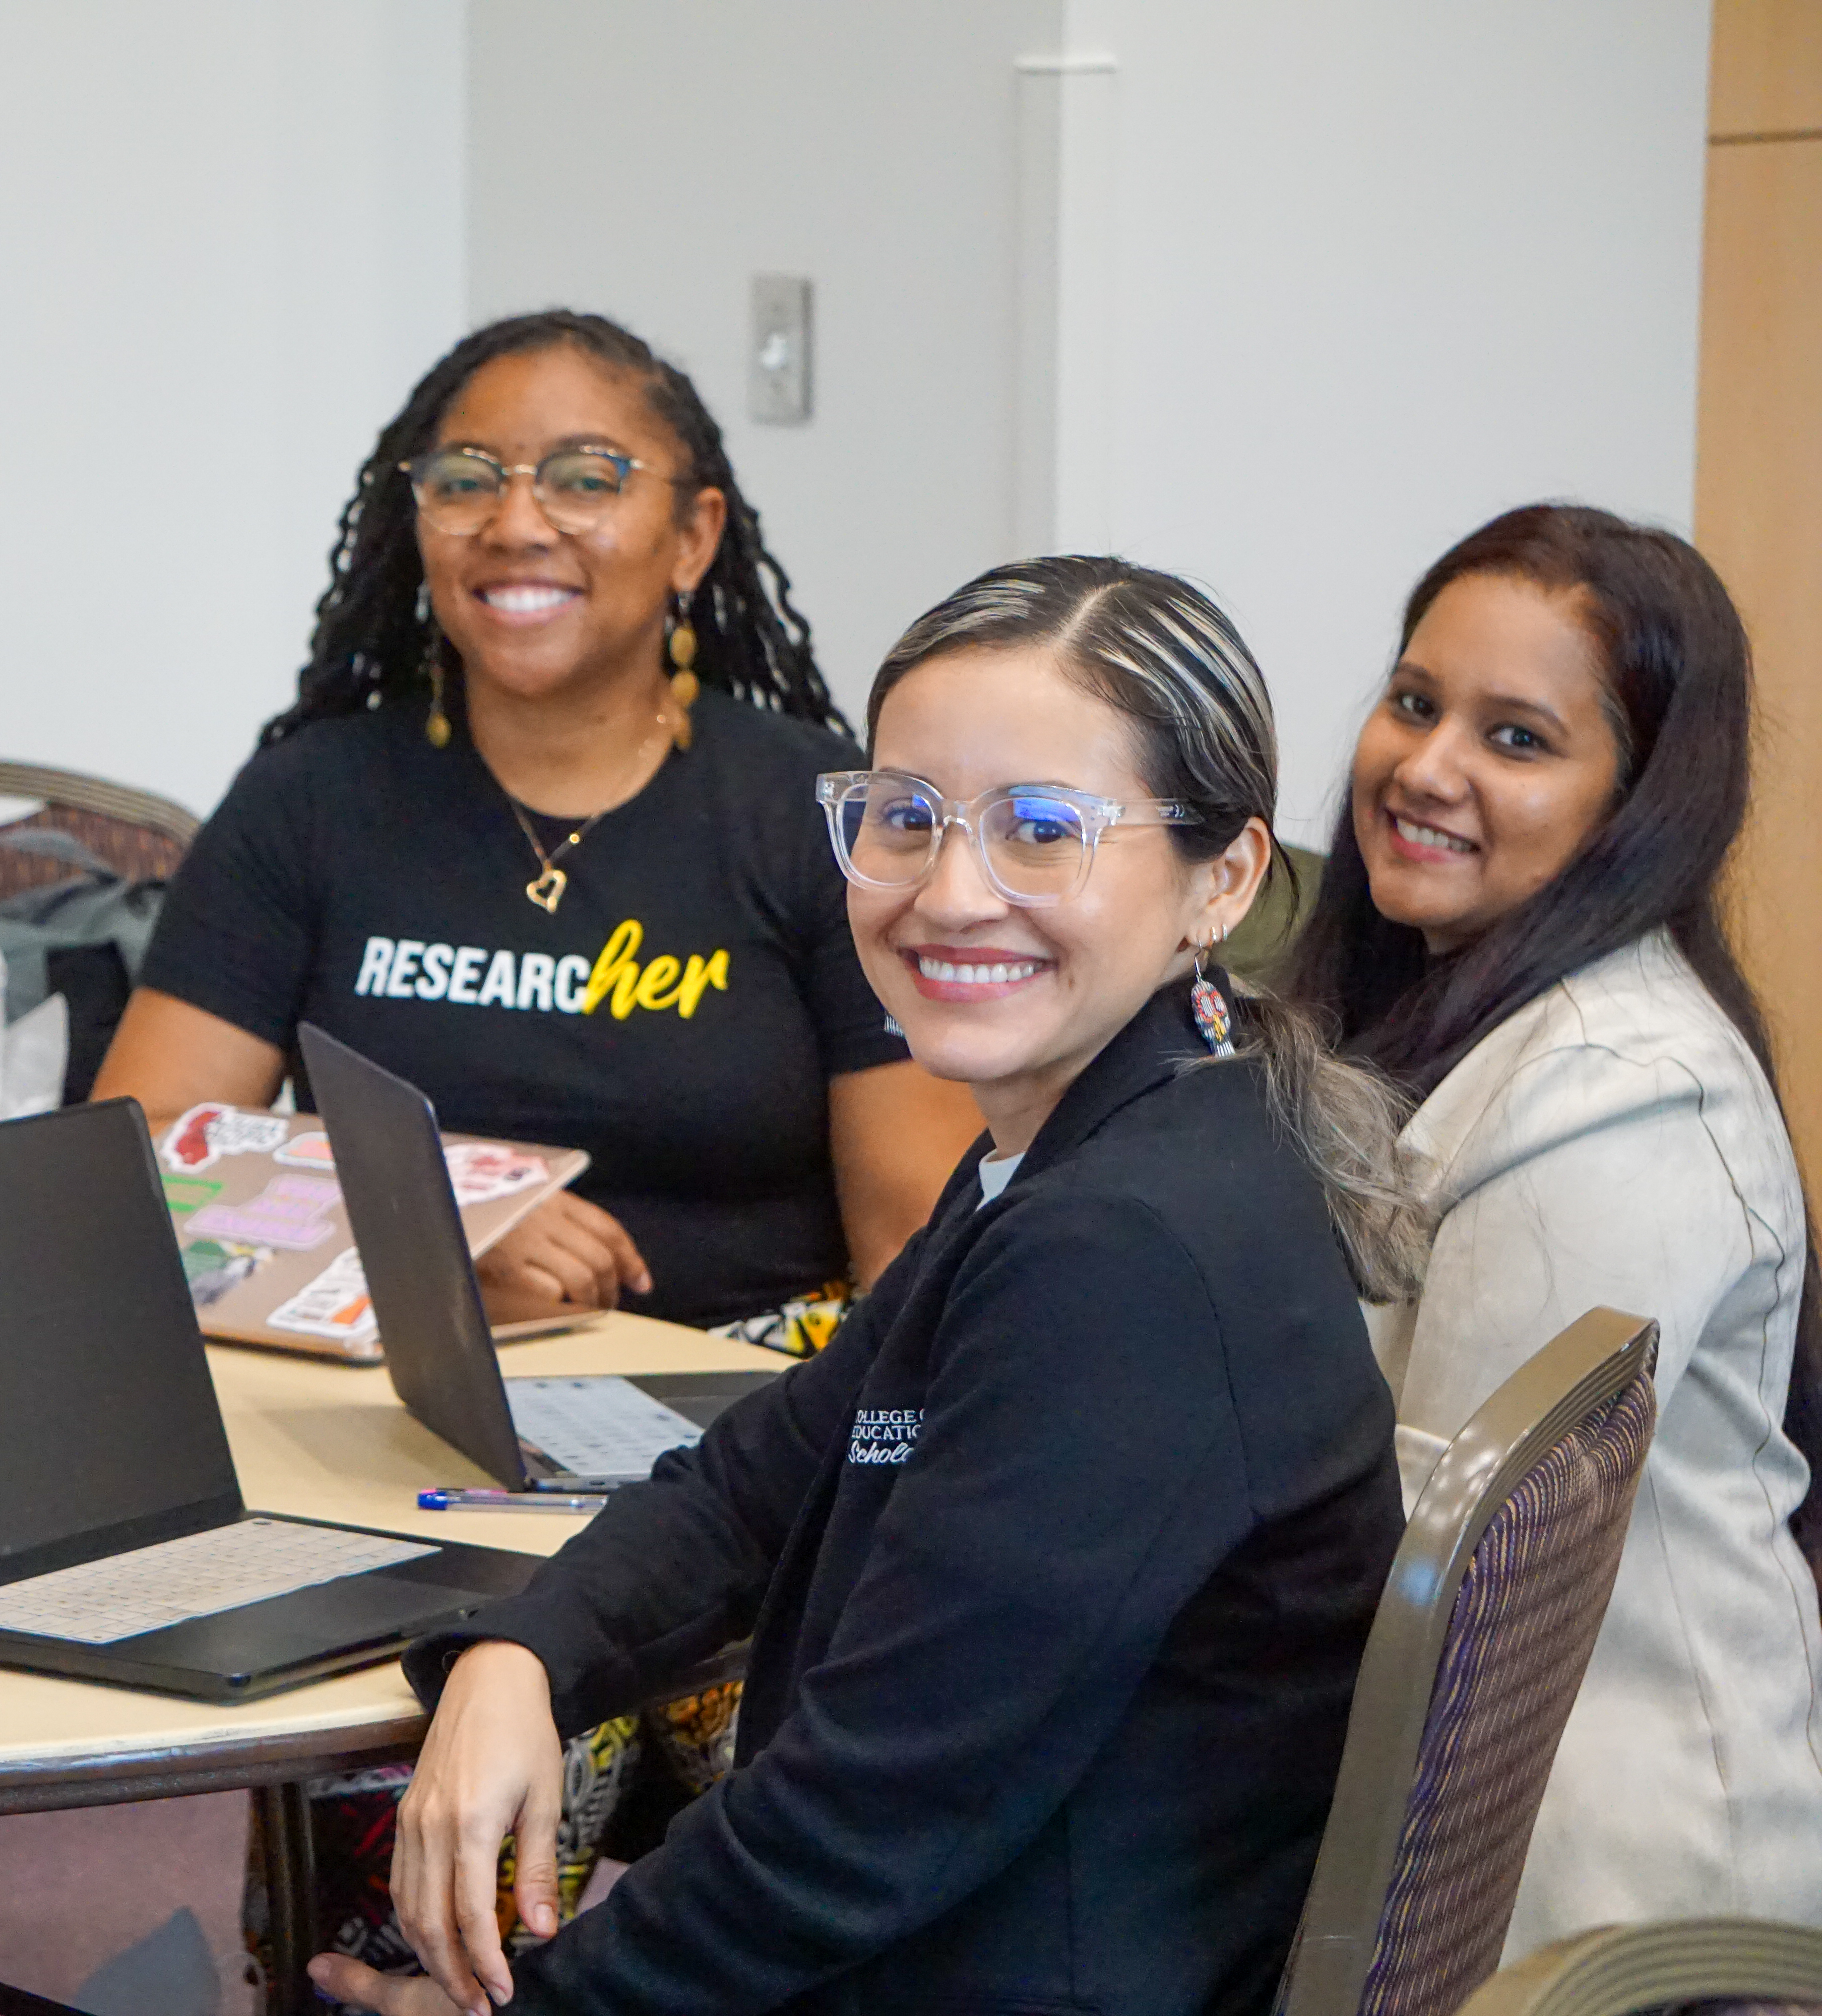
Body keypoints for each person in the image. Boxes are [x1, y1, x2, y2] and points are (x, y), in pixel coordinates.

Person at [311, 557, 1426, 2016]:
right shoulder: (1095, 1142)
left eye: (1042, 831)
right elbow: (757, 1480)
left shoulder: (1127, 1251)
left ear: (1221, 880)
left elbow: (858, 1824)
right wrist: (527, 1649)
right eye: (903, 818)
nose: (950, 893)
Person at [94, 309, 977, 1345]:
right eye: (466, 480)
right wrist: (437, 1216)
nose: (514, 522)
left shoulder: (820, 816)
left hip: (741, 1404)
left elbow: (920, 1251)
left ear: (693, 536)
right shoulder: (311, 800)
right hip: (381, 1388)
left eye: (584, 478)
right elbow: (139, 1165)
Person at [1285, 501, 1822, 1954]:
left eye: (1517, 739)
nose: (1427, 768)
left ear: (1637, 803)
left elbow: (1442, 1551)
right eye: (1415, 703)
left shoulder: (1621, 1089)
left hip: (1606, 1907)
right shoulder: (1429, 1003)